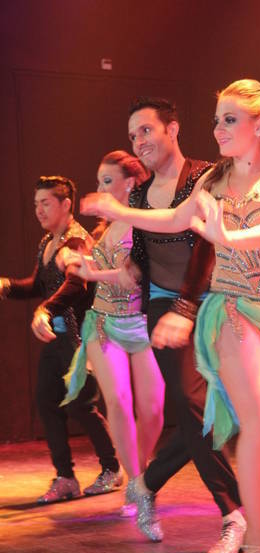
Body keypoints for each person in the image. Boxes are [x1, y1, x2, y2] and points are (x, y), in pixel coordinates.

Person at [81, 80, 260, 553]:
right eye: (216, 120)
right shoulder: (214, 179)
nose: (218, 129)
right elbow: (175, 218)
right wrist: (118, 211)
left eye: (229, 119)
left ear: (259, 124)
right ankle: (255, 538)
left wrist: (226, 236)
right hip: (230, 309)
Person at [81, 98, 245, 553]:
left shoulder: (206, 176)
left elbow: (205, 247)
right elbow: (143, 254)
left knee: (221, 412)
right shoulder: (138, 196)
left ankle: (147, 482)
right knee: (193, 405)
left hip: (214, 304)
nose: (139, 141)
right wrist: (126, 268)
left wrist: (188, 307)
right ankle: (234, 514)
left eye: (146, 130)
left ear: (172, 130)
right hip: (162, 307)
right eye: (133, 135)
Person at [0, 176, 122, 503]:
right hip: (57, 339)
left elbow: (76, 284)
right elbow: (38, 284)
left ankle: (112, 468)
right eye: (36, 204)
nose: (38, 210)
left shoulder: (75, 242)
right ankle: (66, 477)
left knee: (81, 405)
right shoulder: (47, 242)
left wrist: (45, 309)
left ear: (66, 205)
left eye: (46, 203)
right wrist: (5, 285)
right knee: (46, 401)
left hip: (79, 339)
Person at [60, 151, 165, 517]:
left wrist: (90, 272)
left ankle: (141, 472)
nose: (101, 189)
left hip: (142, 325)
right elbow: (100, 268)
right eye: (99, 181)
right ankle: (135, 481)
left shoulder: (145, 224)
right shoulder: (106, 228)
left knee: (154, 410)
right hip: (104, 324)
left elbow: (132, 276)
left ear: (130, 183)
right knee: (119, 402)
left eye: (108, 181)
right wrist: (76, 261)